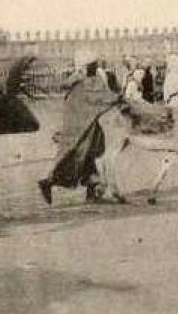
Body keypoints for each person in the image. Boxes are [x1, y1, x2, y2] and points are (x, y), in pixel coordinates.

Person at [38, 51, 119, 205]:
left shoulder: (76, 83)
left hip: (77, 128)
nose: (96, 67)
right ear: (87, 67)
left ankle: (91, 194)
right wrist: (119, 97)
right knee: (78, 159)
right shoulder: (90, 83)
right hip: (85, 130)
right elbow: (104, 98)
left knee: (87, 159)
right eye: (93, 65)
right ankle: (48, 182)